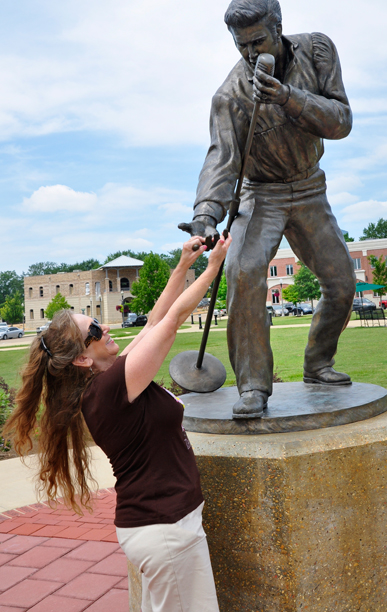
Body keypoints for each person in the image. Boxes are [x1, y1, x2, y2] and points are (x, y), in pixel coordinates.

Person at [4, 235, 231, 612]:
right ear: (81, 359)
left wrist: (181, 266)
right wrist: (212, 269)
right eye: (93, 331)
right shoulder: (109, 390)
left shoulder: (108, 384)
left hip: (163, 525)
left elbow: (155, 319)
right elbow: (171, 323)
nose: (104, 328)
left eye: (96, 322)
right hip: (164, 529)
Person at [179, 0, 356, 419]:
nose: (248, 52)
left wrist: (288, 98)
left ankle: (318, 363)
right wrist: (206, 215)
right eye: (240, 44)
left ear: (278, 28)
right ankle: (254, 386)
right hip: (262, 196)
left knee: (342, 283)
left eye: (257, 41)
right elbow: (222, 159)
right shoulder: (229, 96)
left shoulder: (317, 49)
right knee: (244, 273)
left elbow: (341, 122)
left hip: (310, 187)